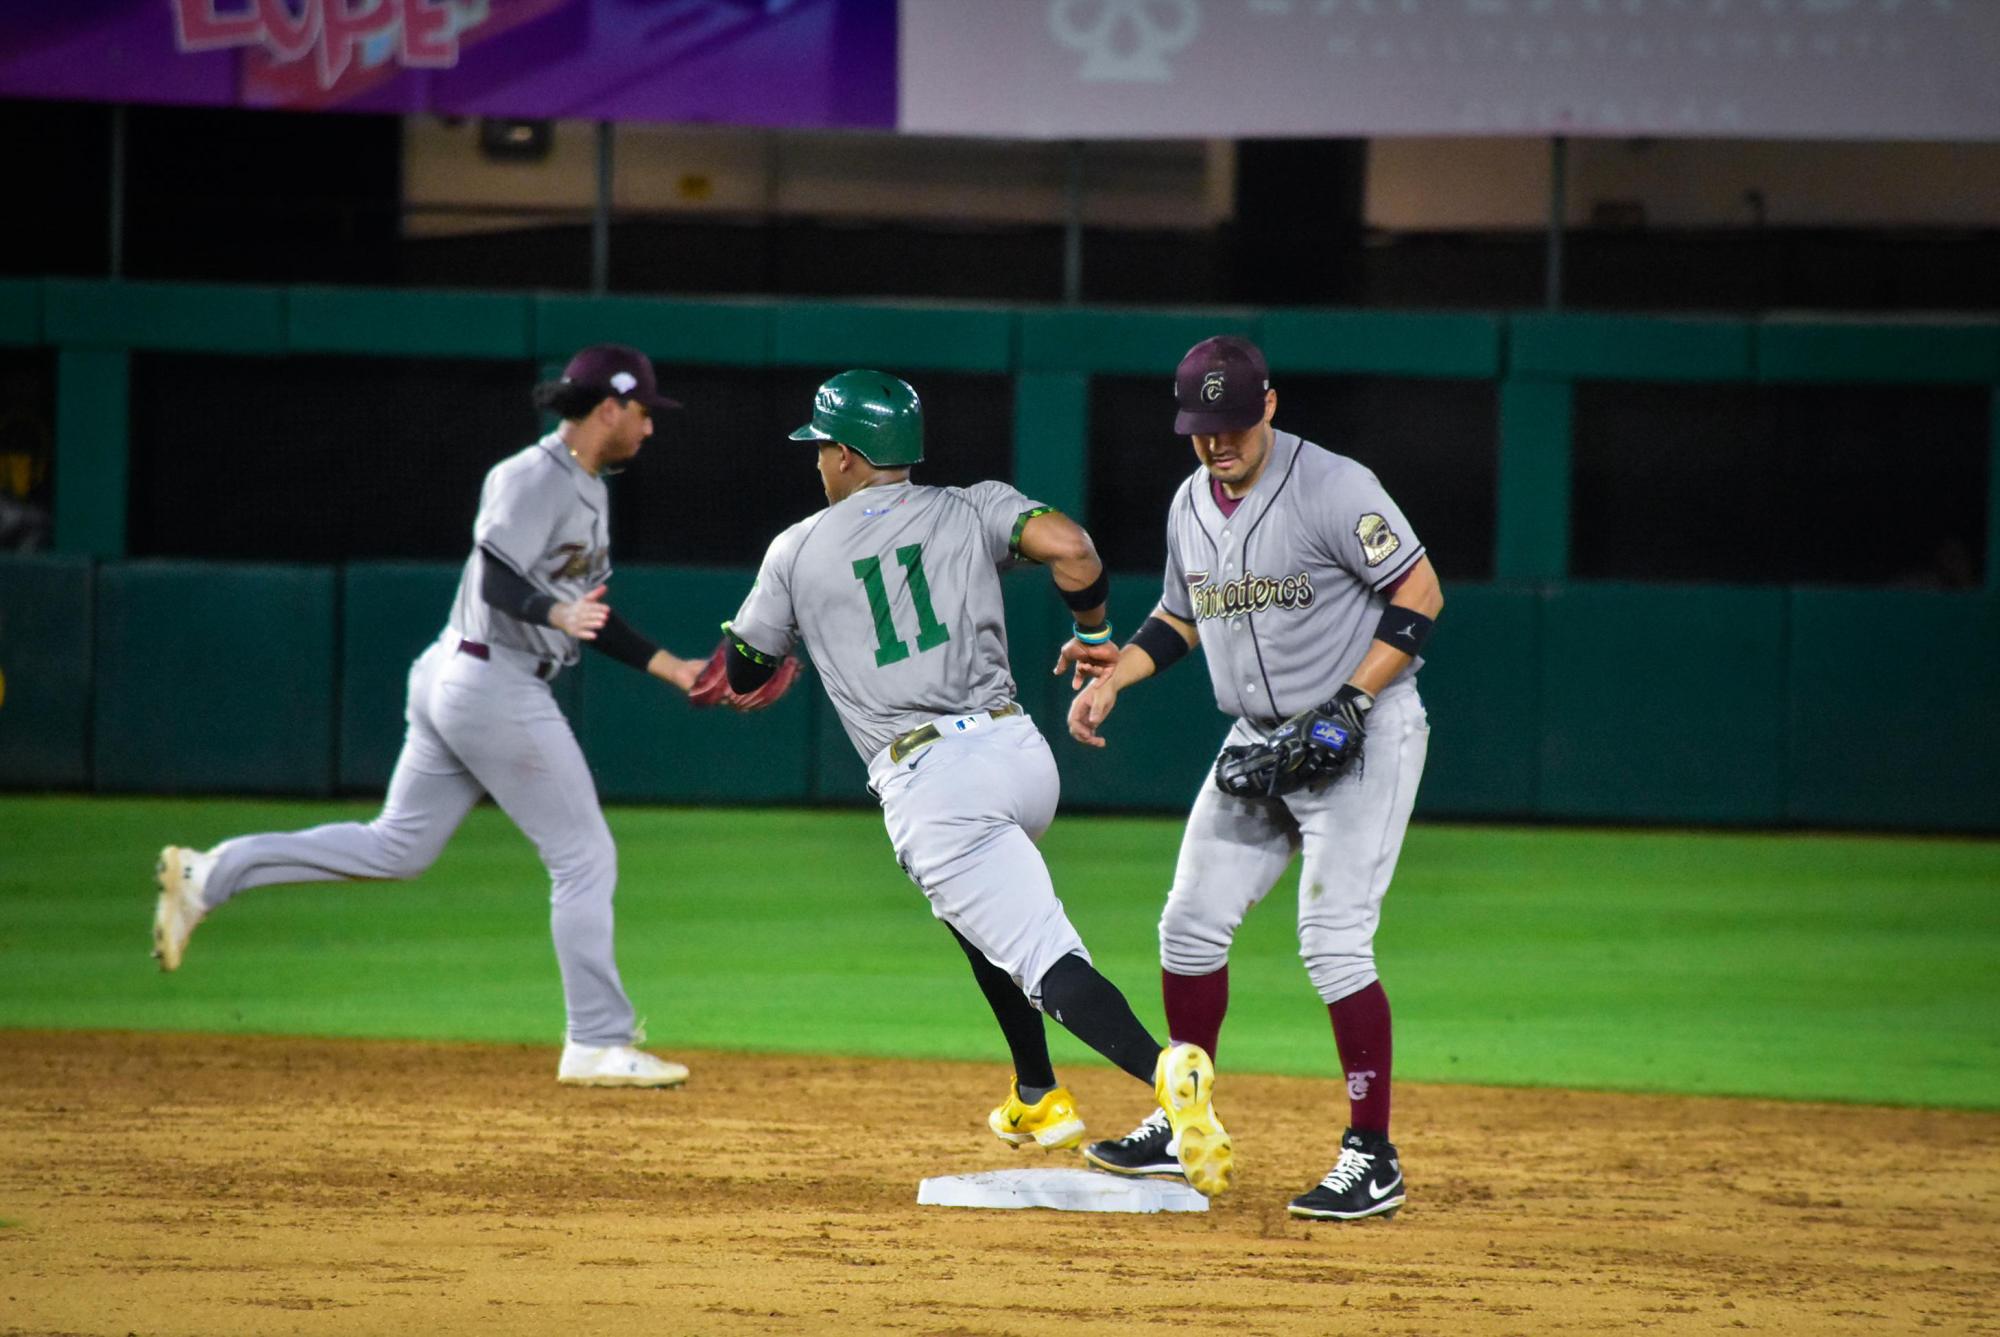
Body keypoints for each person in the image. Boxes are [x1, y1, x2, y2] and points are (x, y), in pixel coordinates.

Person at [712, 369, 1232, 1196]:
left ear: (847, 455)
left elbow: (742, 667)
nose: (816, 462)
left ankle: (1166, 1072)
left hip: (931, 778)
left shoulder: (796, 547)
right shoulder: (973, 503)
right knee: (978, 909)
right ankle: (1037, 1091)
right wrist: (1094, 631)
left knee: (1041, 951)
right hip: (1019, 754)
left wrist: (764, 660)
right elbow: (1073, 549)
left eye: (821, 448)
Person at [151, 345, 709, 1089]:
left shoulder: (591, 490)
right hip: (490, 678)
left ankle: (211, 872)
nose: (650, 427)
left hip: (466, 674)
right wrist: (553, 610)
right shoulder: (528, 476)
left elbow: (587, 615)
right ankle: (597, 1040)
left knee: (397, 848)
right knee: (583, 856)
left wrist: (669, 665)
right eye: (644, 411)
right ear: (609, 405)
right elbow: (495, 574)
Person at [1066, 335, 1442, 1221]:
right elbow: (1177, 612)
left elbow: (1419, 589)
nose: (1216, 443)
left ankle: (1372, 1153)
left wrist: (1352, 698)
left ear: (1268, 404)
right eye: (1201, 426)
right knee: (1189, 926)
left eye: (1232, 422)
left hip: (1364, 735)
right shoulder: (1191, 501)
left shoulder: (1333, 486)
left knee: (1333, 939)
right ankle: (1179, 1113)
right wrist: (1116, 674)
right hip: (1257, 741)